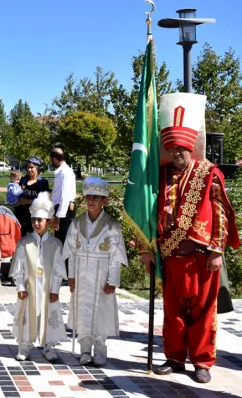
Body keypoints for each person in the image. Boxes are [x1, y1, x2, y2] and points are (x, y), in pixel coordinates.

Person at [140, 93, 239, 384]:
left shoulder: (209, 173)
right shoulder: (158, 176)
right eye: (172, 148)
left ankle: (201, 361)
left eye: (182, 147)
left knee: (203, 312)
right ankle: (174, 357)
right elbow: (146, 211)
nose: (177, 152)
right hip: (170, 256)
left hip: (201, 257)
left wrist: (217, 249)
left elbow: (220, 212)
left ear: (190, 147)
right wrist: (144, 249)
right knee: (173, 312)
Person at [62, 177, 128, 366]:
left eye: (96, 198)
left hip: (102, 275)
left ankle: (100, 350)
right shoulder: (76, 223)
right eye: (88, 197)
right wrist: (72, 276)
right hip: (82, 274)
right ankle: (84, 349)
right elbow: (72, 252)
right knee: (82, 310)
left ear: (104, 201)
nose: (91, 201)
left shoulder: (112, 225)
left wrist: (113, 280)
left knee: (101, 311)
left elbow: (116, 255)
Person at [9, 192, 67, 362]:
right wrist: (20, 287)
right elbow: (18, 268)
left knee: (48, 313)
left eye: (39, 220)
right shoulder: (24, 242)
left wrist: (55, 289)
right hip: (29, 288)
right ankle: (25, 344)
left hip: (48, 288)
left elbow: (57, 269)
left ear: (48, 222)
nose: (36, 223)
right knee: (27, 313)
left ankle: (49, 345)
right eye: (34, 219)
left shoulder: (56, 244)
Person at [13, 157, 49, 236]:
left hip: (35, 217)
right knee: (20, 238)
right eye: (28, 167)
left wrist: (26, 201)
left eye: (31, 167)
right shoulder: (22, 180)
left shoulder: (43, 182)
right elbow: (14, 193)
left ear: (37, 168)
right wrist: (15, 201)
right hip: (21, 215)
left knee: (35, 239)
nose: (29, 170)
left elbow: (44, 201)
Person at [50, 148, 77, 243]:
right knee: (61, 239)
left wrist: (58, 217)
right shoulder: (65, 171)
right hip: (64, 209)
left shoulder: (64, 172)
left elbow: (65, 196)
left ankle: (65, 259)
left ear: (54, 159)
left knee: (63, 241)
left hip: (65, 211)